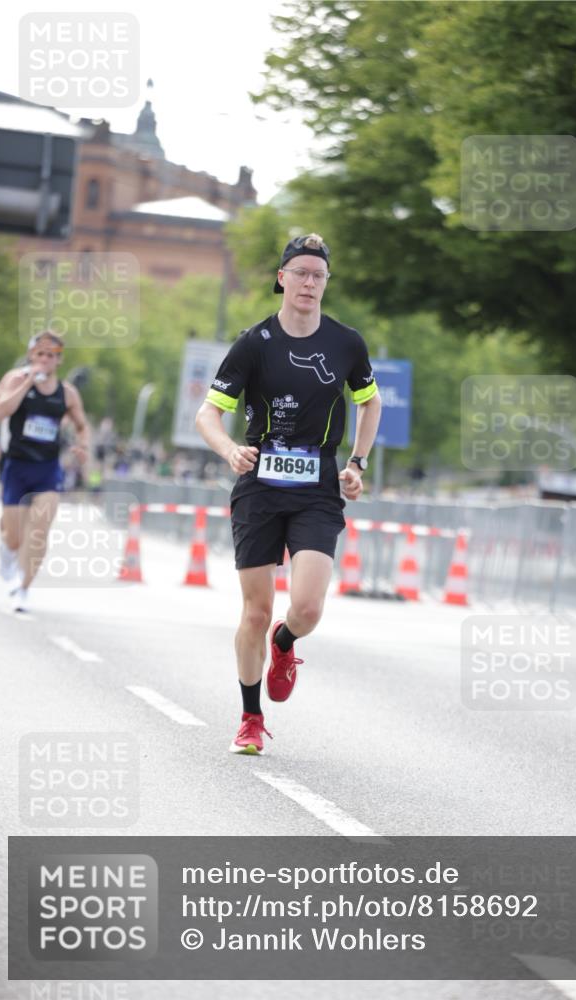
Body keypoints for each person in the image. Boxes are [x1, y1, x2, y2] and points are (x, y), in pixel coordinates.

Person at [195, 233, 382, 754]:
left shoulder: (346, 343)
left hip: (318, 488)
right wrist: (229, 449)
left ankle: (286, 643)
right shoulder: (254, 342)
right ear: (282, 278)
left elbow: (371, 403)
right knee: (254, 612)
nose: (308, 282)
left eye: (317, 275)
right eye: (299, 272)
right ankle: (251, 718)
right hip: (259, 485)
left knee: (307, 609)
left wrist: (357, 462)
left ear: (326, 283)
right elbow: (207, 413)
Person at [0, 331, 90, 612]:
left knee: (39, 530)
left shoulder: (67, 393)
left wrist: (83, 445)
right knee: (15, 536)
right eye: (40, 354)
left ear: (59, 360)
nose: (45, 360)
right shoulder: (16, 379)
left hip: (46, 469)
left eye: (51, 356)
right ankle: (7, 551)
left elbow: (81, 424)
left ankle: (23, 588)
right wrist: (27, 383)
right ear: (32, 355)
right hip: (15, 466)